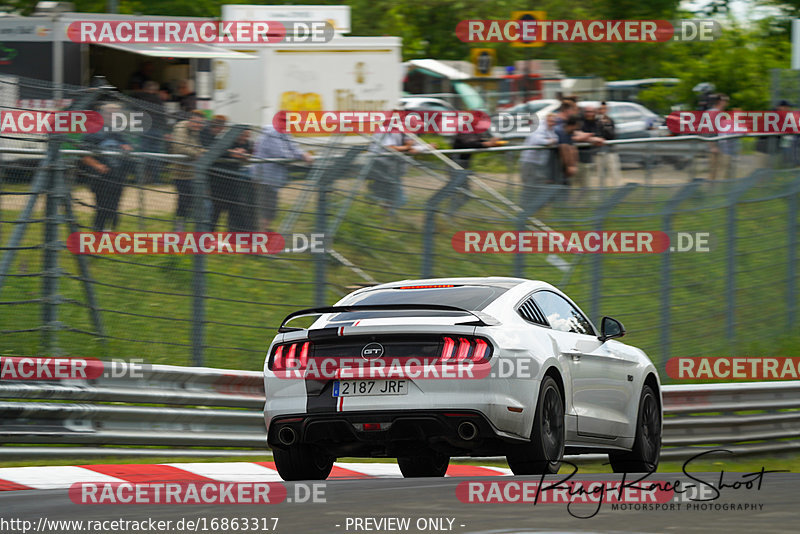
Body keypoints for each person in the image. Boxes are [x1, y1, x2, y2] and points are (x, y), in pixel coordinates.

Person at [80, 103, 133, 232]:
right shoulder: (93, 131)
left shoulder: (118, 131)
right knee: (102, 208)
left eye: (116, 114)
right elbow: (83, 155)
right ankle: (98, 233)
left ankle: (110, 234)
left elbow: (128, 146)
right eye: (110, 113)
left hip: (118, 177)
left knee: (114, 209)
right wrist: (97, 165)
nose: (113, 116)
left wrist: (127, 147)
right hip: (101, 178)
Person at [251, 124, 312, 232]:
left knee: (270, 209)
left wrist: (303, 154)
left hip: (273, 178)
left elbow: (292, 147)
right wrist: (298, 156)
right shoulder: (271, 134)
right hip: (265, 177)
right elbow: (281, 154)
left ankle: (263, 233)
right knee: (265, 209)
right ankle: (261, 234)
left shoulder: (283, 132)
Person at [210, 127, 254, 232]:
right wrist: (231, 152)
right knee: (216, 211)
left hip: (233, 181)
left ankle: (236, 236)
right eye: (243, 135)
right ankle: (207, 237)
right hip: (217, 182)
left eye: (247, 136)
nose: (245, 138)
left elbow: (248, 154)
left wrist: (245, 155)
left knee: (237, 210)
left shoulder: (246, 143)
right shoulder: (224, 140)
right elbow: (213, 150)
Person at [170, 110, 206, 231]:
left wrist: (202, 152)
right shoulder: (181, 128)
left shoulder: (195, 132)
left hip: (193, 173)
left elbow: (198, 147)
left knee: (193, 202)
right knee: (184, 202)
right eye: (196, 122)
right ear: (190, 120)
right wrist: (198, 154)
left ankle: (192, 228)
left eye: (200, 123)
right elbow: (180, 147)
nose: (198, 126)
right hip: (182, 173)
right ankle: (179, 228)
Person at [518, 113, 559, 209]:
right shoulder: (539, 128)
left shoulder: (551, 129)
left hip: (540, 163)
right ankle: (524, 209)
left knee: (539, 186)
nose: (553, 123)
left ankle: (534, 208)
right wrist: (551, 141)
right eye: (551, 121)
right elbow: (538, 141)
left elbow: (557, 138)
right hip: (530, 162)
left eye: (554, 121)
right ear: (546, 120)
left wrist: (551, 140)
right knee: (530, 186)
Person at [133, 80, 168, 184]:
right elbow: (163, 116)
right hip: (156, 130)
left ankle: (140, 178)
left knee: (142, 155)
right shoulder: (158, 100)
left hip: (144, 130)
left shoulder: (138, 98)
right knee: (156, 156)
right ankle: (156, 179)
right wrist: (165, 131)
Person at [595, 102, 622, 186]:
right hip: (599, 150)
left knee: (614, 170)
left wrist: (606, 126)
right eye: (600, 109)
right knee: (600, 173)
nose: (602, 111)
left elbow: (613, 135)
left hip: (610, 150)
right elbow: (596, 134)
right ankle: (601, 190)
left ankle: (618, 188)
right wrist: (600, 124)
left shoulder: (610, 120)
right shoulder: (595, 121)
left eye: (604, 109)